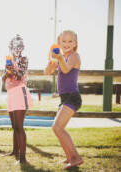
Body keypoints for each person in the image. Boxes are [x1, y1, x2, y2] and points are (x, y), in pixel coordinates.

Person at [44, 30, 83, 169]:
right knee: (57, 129)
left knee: (57, 127)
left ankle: (76, 157)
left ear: (75, 43)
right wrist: (51, 61)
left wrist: (59, 58)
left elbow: (66, 70)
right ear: (59, 43)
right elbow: (47, 72)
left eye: (70, 41)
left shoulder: (74, 56)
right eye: (63, 41)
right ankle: (69, 156)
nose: (66, 44)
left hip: (72, 97)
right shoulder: (61, 58)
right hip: (65, 97)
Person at [2, 34, 33, 164]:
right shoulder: (9, 59)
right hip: (10, 93)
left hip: (20, 92)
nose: (17, 48)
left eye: (20, 46)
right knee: (14, 125)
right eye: (15, 46)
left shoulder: (24, 59)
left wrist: (11, 69)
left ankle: (23, 158)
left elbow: (19, 76)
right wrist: (6, 71)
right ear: (10, 47)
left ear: (23, 48)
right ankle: (15, 151)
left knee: (19, 126)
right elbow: (5, 77)